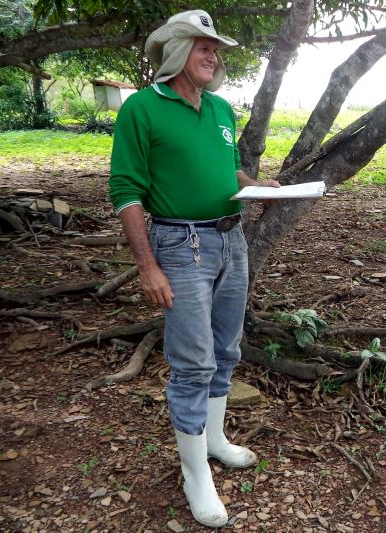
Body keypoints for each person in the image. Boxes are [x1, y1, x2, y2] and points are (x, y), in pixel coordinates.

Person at [108, 10, 279, 528]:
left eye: (216, 49)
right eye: (205, 47)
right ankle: (194, 474)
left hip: (232, 240)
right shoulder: (142, 109)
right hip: (179, 245)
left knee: (227, 347)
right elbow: (126, 192)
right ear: (179, 52)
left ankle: (214, 440)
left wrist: (256, 185)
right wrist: (147, 266)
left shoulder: (220, 109)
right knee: (193, 362)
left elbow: (224, 169)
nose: (215, 56)